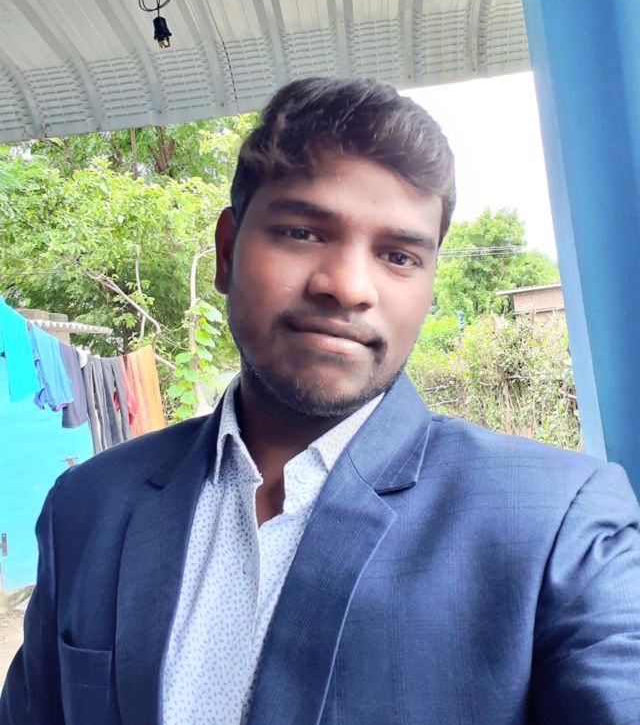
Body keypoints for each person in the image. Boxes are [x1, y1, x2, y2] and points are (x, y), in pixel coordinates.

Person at [1, 77, 639, 725]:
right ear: (227, 252)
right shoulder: (88, 508)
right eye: (302, 232)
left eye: (399, 255)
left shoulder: (558, 524)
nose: (349, 286)